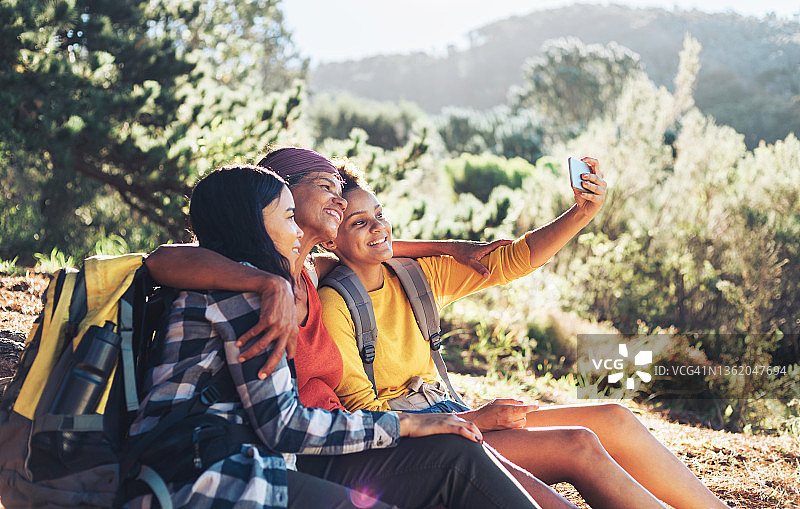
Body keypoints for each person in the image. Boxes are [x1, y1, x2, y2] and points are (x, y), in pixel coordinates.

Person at [139, 160, 565, 508]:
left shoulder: (301, 275)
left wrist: (452, 246)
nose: (338, 201)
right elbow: (284, 427)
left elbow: (371, 245)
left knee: (465, 457)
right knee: (460, 460)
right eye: (290, 214)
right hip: (217, 471)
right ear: (257, 219)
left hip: (269, 455)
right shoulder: (248, 292)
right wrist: (412, 425)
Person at [317, 159, 732, 509]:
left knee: (614, 418)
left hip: (452, 412)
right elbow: (366, 417)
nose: (379, 227)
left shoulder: (414, 275)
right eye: (359, 222)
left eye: (380, 214)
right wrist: (475, 417)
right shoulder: (336, 305)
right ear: (331, 236)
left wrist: (582, 213)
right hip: (423, 442)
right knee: (579, 446)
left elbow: (510, 260)